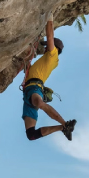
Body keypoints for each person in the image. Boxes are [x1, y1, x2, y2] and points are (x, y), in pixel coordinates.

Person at [22, 13, 76, 141]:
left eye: (47, 46)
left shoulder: (53, 55)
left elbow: (50, 36)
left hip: (34, 88)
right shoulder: (48, 60)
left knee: (40, 104)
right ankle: (63, 128)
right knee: (31, 135)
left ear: (55, 48)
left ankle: (65, 124)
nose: (45, 47)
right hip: (29, 92)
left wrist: (49, 17)